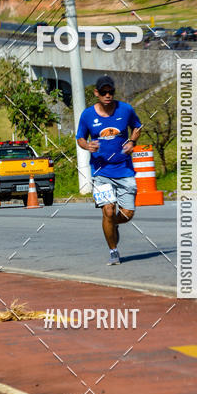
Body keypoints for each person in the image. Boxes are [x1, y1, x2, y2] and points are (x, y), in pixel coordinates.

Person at [76, 75, 142, 266]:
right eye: (103, 92)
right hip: (100, 172)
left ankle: (111, 226)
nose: (107, 95)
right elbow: (80, 137)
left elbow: (137, 127)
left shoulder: (126, 109)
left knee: (127, 214)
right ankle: (113, 251)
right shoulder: (87, 115)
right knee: (108, 210)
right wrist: (87, 146)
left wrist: (132, 141)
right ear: (96, 93)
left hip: (125, 170)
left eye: (110, 92)